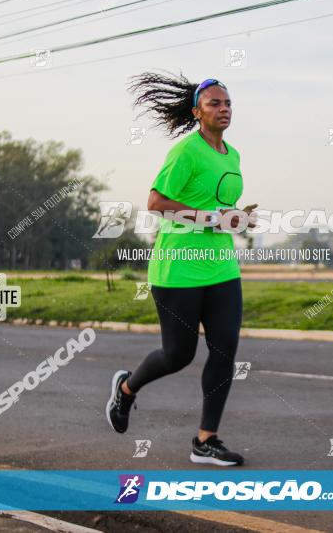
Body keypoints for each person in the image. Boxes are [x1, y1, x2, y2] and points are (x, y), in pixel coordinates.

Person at [106, 71, 257, 467]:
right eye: (215, 104)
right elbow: (156, 202)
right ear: (197, 111)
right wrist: (211, 218)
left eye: (228, 104)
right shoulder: (186, 151)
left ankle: (206, 440)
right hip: (178, 268)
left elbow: (216, 209)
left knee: (225, 351)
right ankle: (126, 389)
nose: (224, 109)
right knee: (179, 355)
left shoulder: (233, 154)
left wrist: (235, 219)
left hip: (221, 267)